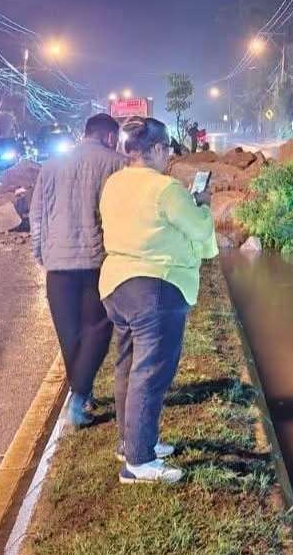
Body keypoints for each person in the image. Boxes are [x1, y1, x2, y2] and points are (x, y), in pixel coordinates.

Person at [99, 118, 217, 484]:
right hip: (156, 286)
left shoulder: (114, 183)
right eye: (165, 147)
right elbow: (198, 229)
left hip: (117, 285)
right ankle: (139, 462)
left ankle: (132, 441)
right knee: (150, 373)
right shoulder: (166, 189)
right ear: (151, 150)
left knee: (128, 366)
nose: (168, 153)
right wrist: (202, 205)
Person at [29, 114, 127, 428]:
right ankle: (80, 395)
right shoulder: (117, 164)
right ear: (111, 137)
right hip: (96, 260)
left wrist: (40, 252)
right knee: (97, 328)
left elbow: (37, 214)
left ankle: (81, 393)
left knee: (69, 333)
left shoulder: (51, 165)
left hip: (57, 264)